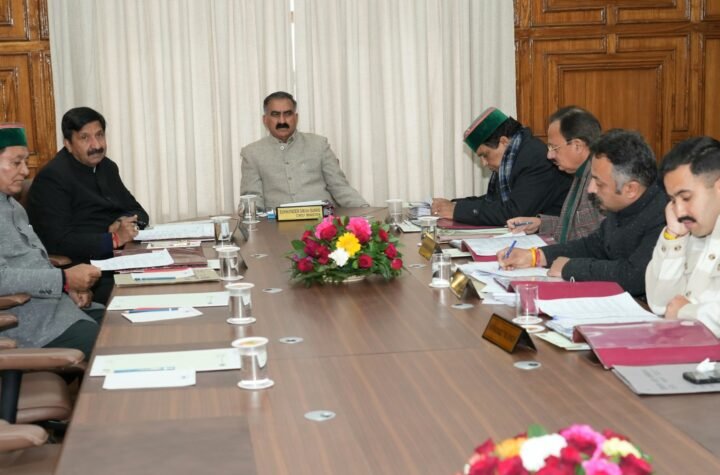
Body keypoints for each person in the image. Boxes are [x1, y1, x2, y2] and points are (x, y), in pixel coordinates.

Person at [498, 129, 666, 297]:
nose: (591, 189)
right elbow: (593, 245)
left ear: (631, 189)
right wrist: (535, 256)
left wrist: (570, 268)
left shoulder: (663, 215)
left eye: (599, 183)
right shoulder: (620, 205)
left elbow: (635, 276)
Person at [27, 107, 149, 304]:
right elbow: (57, 241)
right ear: (68, 144)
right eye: (85, 138)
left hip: (119, 259)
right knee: (145, 292)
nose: (96, 145)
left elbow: (139, 212)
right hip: (85, 271)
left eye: (99, 135)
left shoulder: (106, 167)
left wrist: (122, 221)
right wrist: (113, 240)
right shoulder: (53, 177)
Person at [0, 124, 101, 357]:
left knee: (121, 321)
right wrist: (63, 278)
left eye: (26, 161)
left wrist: (66, 287)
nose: (25, 171)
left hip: (54, 306)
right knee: (110, 342)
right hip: (24, 323)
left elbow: (32, 261)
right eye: (16, 162)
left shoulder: (13, 205)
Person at [431, 107, 571, 226]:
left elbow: (514, 213)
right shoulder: (513, 156)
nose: (484, 163)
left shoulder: (534, 157)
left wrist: (457, 211)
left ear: (503, 141)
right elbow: (494, 200)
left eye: (485, 155)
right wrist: (453, 204)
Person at [240, 91, 368, 210]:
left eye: (288, 114)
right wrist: (252, 220)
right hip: (275, 224)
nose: (282, 121)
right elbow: (252, 199)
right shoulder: (252, 153)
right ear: (265, 120)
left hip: (321, 222)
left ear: (296, 117)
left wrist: (366, 211)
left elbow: (339, 187)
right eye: (275, 115)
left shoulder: (319, 145)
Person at [645, 137, 720, 336]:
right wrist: (674, 238)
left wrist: (685, 312)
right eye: (672, 200)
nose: (678, 211)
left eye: (686, 198)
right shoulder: (691, 230)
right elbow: (660, 305)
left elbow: (677, 311)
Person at [507, 106, 605, 243]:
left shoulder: (601, 181)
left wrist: (544, 254)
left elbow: (599, 240)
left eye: (554, 148)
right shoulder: (581, 172)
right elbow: (577, 226)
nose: (549, 155)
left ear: (577, 146)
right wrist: (540, 224)